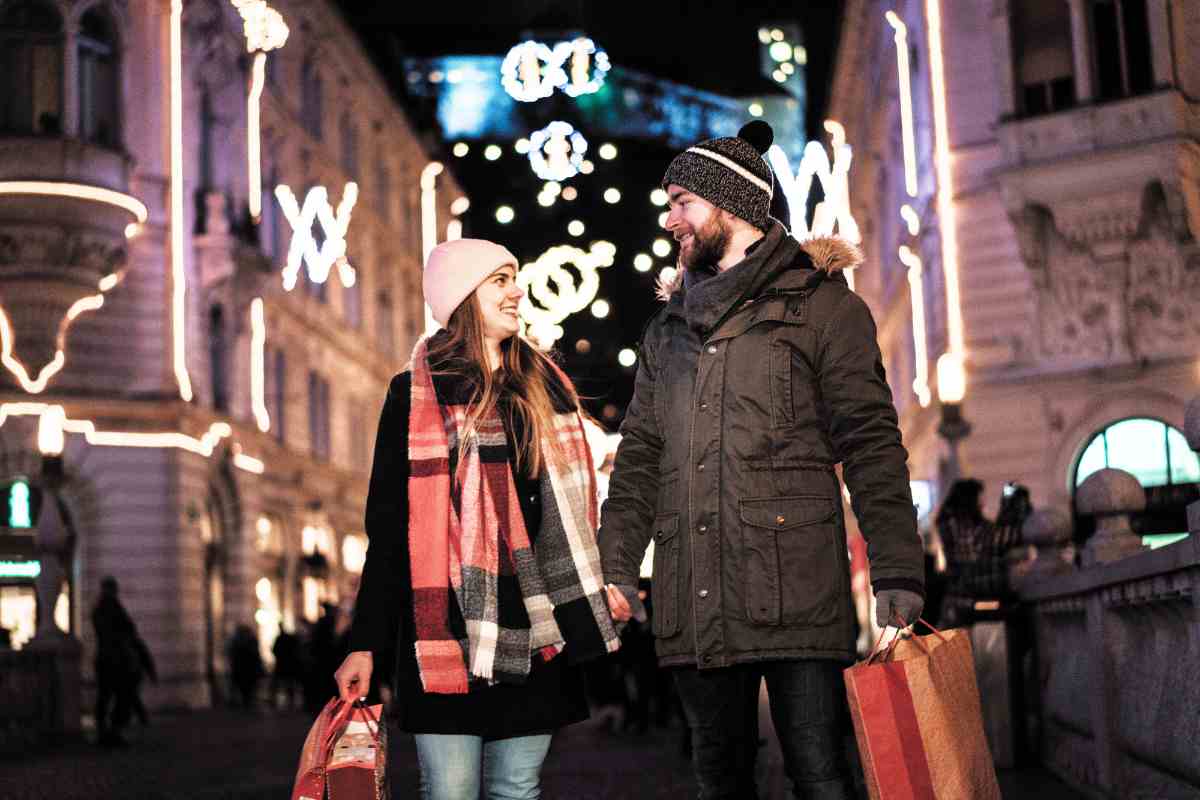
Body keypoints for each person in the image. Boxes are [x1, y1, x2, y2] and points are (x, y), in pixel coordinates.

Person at [599, 121, 925, 799]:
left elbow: (868, 438)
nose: (670, 220)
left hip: (796, 589)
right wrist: (617, 568)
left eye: (682, 202)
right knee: (719, 779)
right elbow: (639, 459)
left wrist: (895, 562)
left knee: (821, 775)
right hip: (696, 592)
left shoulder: (824, 307)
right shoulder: (666, 333)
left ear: (733, 207)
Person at [334, 238, 623, 800]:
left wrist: (602, 583)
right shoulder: (415, 394)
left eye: (515, 278)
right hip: (444, 627)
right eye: (500, 280)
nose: (518, 291)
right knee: (451, 791)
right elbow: (391, 528)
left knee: (517, 788)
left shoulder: (545, 391)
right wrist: (365, 642)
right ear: (463, 296)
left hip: (536, 627)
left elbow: (567, 516)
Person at [92, 576, 156, 747]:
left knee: (108, 697)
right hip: (117, 661)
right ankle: (112, 732)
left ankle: (106, 731)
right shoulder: (110, 608)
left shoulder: (100, 608)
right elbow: (128, 634)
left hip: (106, 660)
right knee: (121, 696)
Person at [935, 478, 996, 626]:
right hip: (973, 591)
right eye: (980, 497)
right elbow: (971, 555)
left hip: (955, 593)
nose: (983, 502)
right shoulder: (973, 527)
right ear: (971, 498)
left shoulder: (945, 522)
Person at [228, 623, 265, 710]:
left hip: (241, 669)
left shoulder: (236, 641)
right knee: (248, 688)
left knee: (243, 688)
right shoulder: (249, 640)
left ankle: (245, 703)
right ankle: (247, 703)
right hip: (248, 669)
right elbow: (256, 655)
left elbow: (232, 654)